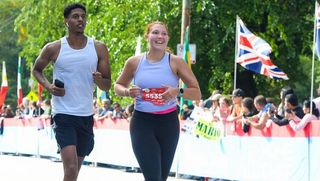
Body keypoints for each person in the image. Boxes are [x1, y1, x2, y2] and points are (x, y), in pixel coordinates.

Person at [32, 3, 111, 181]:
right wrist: (49, 86)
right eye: (75, 16)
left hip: (86, 115)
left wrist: (100, 81)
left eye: (83, 16)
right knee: (71, 167)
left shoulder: (98, 48)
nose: (80, 19)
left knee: (75, 169)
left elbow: (107, 85)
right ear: (66, 21)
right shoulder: (54, 48)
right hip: (63, 114)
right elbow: (37, 70)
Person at [114, 21, 201, 181]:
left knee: (161, 177)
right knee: (154, 178)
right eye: (155, 32)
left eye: (163, 33)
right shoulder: (134, 62)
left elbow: (197, 94)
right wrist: (127, 91)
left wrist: (177, 91)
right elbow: (118, 85)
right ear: (147, 36)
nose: (160, 36)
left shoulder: (176, 62)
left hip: (168, 124)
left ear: (167, 38)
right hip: (142, 123)